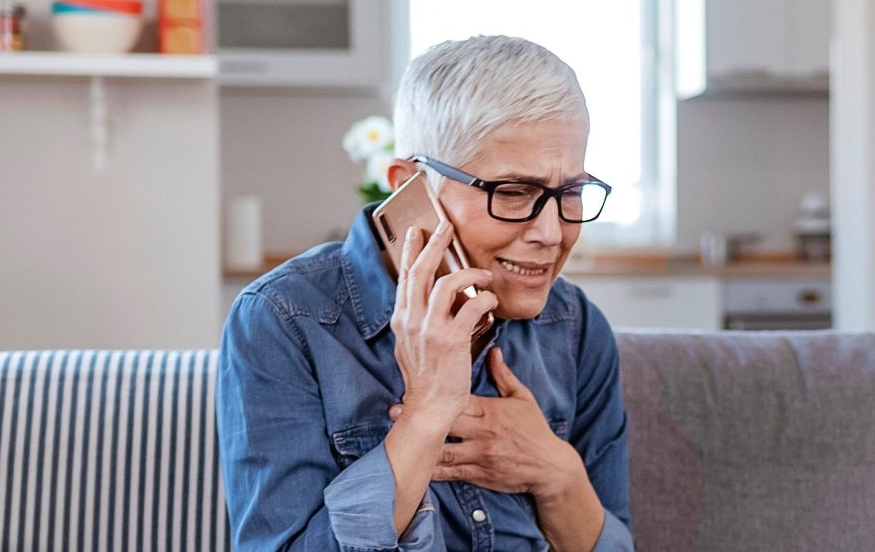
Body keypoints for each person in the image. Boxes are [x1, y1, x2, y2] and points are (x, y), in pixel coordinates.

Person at [218, 35, 633, 551]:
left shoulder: (575, 326)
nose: (552, 233)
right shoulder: (284, 320)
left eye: (569, 192)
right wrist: (427, 411)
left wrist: (557, 473)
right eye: (512, 192)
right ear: (410, 187)